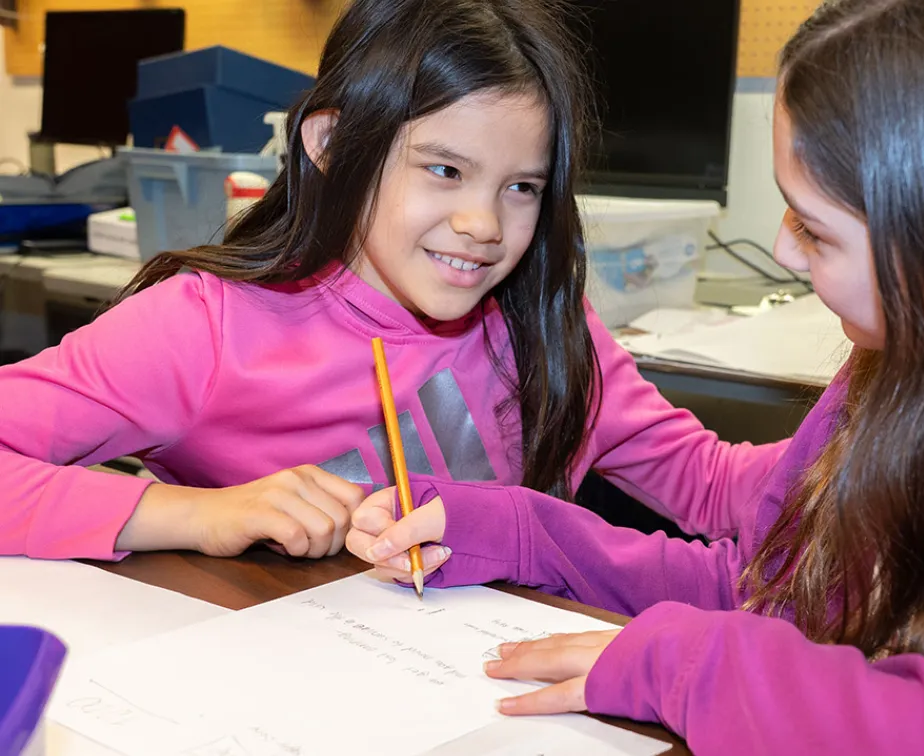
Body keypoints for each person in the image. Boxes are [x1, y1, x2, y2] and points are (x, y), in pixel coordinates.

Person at [349, 0, 924, 751]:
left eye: (816, 230)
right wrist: (527, 534)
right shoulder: (891, 378)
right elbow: (774, 593)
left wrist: (704, 672)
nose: (780, 250)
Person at [0, 0, 782, 561]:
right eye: (445, 169)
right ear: (335, 144)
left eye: (522, 187)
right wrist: (192, 514)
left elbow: (709, 485)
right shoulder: (205, 325)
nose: (484, 223)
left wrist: (875, 447)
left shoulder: (541, 319)